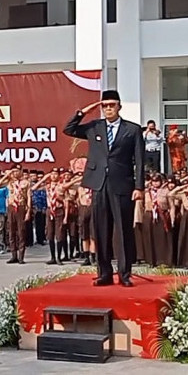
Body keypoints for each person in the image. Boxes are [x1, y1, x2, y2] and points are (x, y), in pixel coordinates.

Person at [64, 90, 145, 287]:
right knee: (101, 230)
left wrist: (139, 187)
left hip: (122, 184)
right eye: (105, 105)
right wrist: (84, 111)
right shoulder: (94, 127)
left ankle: (125, 274)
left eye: (112, 105)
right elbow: (69, 129)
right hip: (98, 184)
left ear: (119, 106)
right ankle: (105, 273)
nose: (108, 109)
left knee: (124, 230)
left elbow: (140, 161)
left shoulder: (132, 130)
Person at [0, 165, 32, 264]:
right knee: (11, 232)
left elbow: (28, 198)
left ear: (21, 171)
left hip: (21, 207)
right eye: (14, 171)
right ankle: (13, 255)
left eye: (17, 171)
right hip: (11, 207)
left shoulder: (26, 183)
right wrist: (6, 175)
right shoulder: (9, 181)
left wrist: (28, 212)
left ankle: (21, 257)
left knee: (21, 232)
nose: (15, 173)